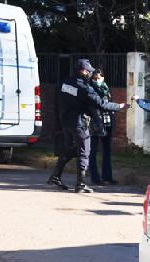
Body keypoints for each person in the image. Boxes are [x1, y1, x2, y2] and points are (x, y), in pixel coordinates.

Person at [47, 59, 126, 193]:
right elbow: (101, 104)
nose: (90, 73)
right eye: (88, 71)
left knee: (70, 149)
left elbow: (59, 102)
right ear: (83, 71)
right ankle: (80, 184)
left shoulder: (64, 83)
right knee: (84, 153)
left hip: (65, 122)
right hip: (79, 123)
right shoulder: (84, 87)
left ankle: (55, 176)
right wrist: (118, 106)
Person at [87, 68, 118, 185]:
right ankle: (95, 178)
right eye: (95, 78)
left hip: (107, 122)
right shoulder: (90, 89)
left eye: (99, 78)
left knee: (107, 151)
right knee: (93, 151)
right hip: (94, 124)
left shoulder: (106, 88)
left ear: (103, 78)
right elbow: (100, 105)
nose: (97, 81)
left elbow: (109, 104)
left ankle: (107, 177)